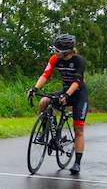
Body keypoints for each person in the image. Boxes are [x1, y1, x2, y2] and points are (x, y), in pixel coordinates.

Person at [27, 34, 88, 174]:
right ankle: (46, 132)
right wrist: (35, 89)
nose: (54, 52)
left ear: (66, 51)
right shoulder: (55, 59)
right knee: (44, 102)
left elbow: (77, 81)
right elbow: (45, 74)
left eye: (57, 50)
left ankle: (77, 163)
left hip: (79, 95)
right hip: (65, 90)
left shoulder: (79, 61)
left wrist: (67, 95)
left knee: (78, 130)